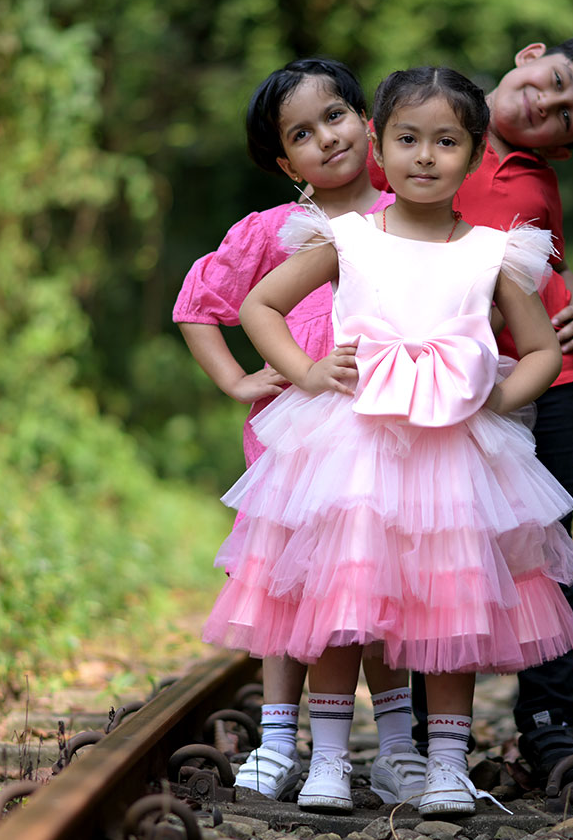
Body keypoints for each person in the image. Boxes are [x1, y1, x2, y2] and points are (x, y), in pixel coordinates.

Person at [202, 65, 573, 817]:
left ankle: (445, 763)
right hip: (356, 443)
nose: (425, 157)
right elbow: (259, 307)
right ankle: (333, 761)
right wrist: (307, 372)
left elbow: (540, 349)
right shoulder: (346, 238)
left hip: (453, 454)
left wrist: (501, 394)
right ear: (382, 142)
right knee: (343, 599)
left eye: (447, 142)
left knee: (450, 604)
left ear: (475, 157)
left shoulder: (493, 251)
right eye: (408, 139)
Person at [368, 38, 573, 786]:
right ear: (529, 55)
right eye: (550, 83)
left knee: (544, 547)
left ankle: (548, 722)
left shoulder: (538, 183)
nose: (544, 105)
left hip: (544, 381)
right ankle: (426, 732)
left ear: (568, 148)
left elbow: (548, 262)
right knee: (431, 539)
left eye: (566, 117)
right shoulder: (430, 124)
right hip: (436, 382)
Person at [173, 58, 426, 806]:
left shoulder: (407, 212)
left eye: (336, 117)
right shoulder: (274, 231)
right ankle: (281, 740)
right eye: (302, 135)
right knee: (291, 587)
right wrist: (235, 379)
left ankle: (399, 746)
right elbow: (200, 302)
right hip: (294, 449)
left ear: (368, 123)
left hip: (391, 437)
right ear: (287, 163)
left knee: (378, 590)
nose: (326, 138)